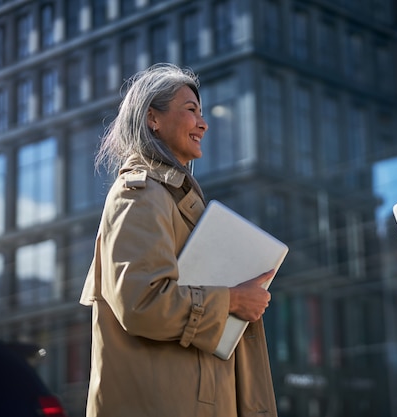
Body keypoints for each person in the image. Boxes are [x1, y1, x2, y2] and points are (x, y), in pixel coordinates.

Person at [80, 63, 278, 417]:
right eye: (191, 111)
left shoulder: (170, 197)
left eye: (202, 113)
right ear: (152, 119)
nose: (203, 123)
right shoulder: (138, 193)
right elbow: (141, 302)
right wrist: (231, 300)